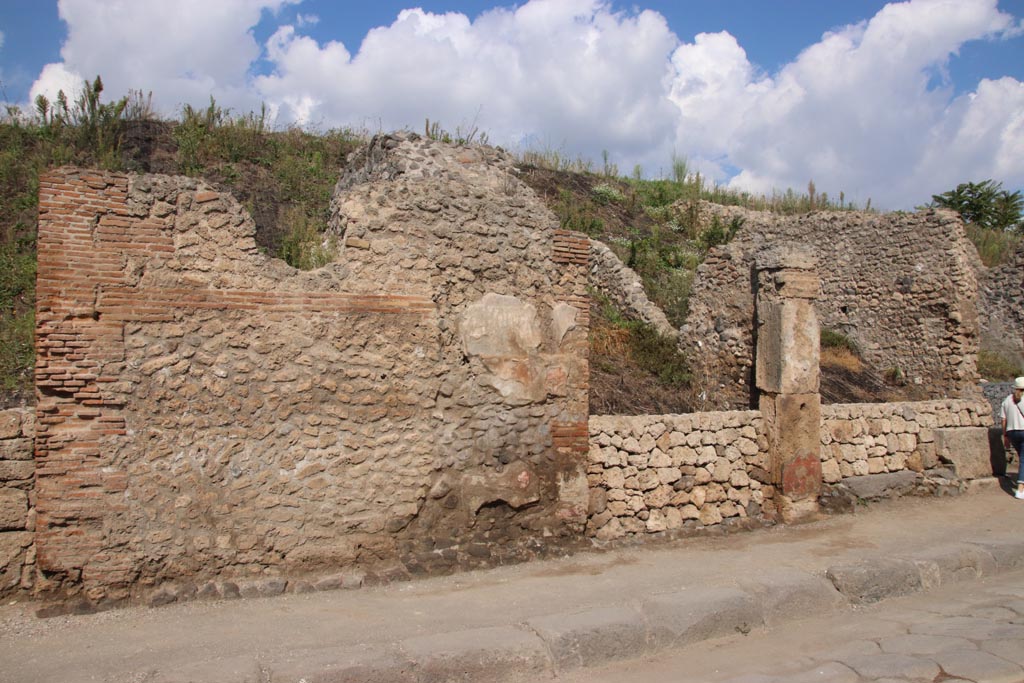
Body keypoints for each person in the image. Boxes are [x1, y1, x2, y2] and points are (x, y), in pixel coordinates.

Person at [1000, 377, 1024, 499]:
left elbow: (1003, 420)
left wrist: (1005, 436)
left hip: (1012, 432)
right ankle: (1020, 489)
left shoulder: (1007, 400)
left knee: (1022, 458)